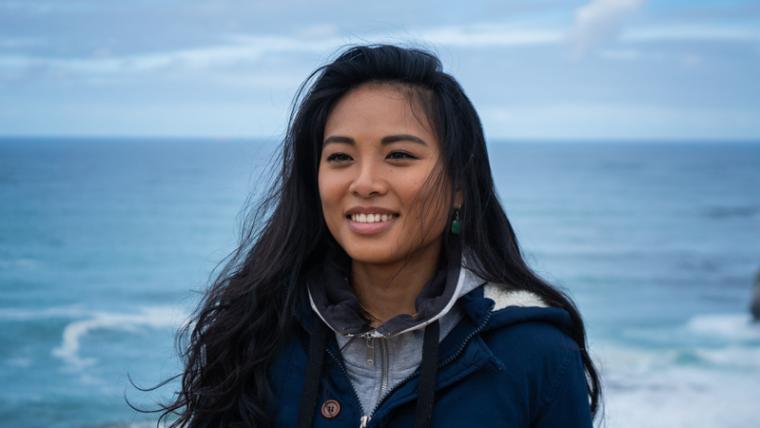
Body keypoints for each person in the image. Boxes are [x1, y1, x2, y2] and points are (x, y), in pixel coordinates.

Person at [157, 44, 602, 427]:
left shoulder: (536, 354)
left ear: (460, 186)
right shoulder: (256, 333)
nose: (365, 182)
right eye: (340, 157)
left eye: (399, 154)